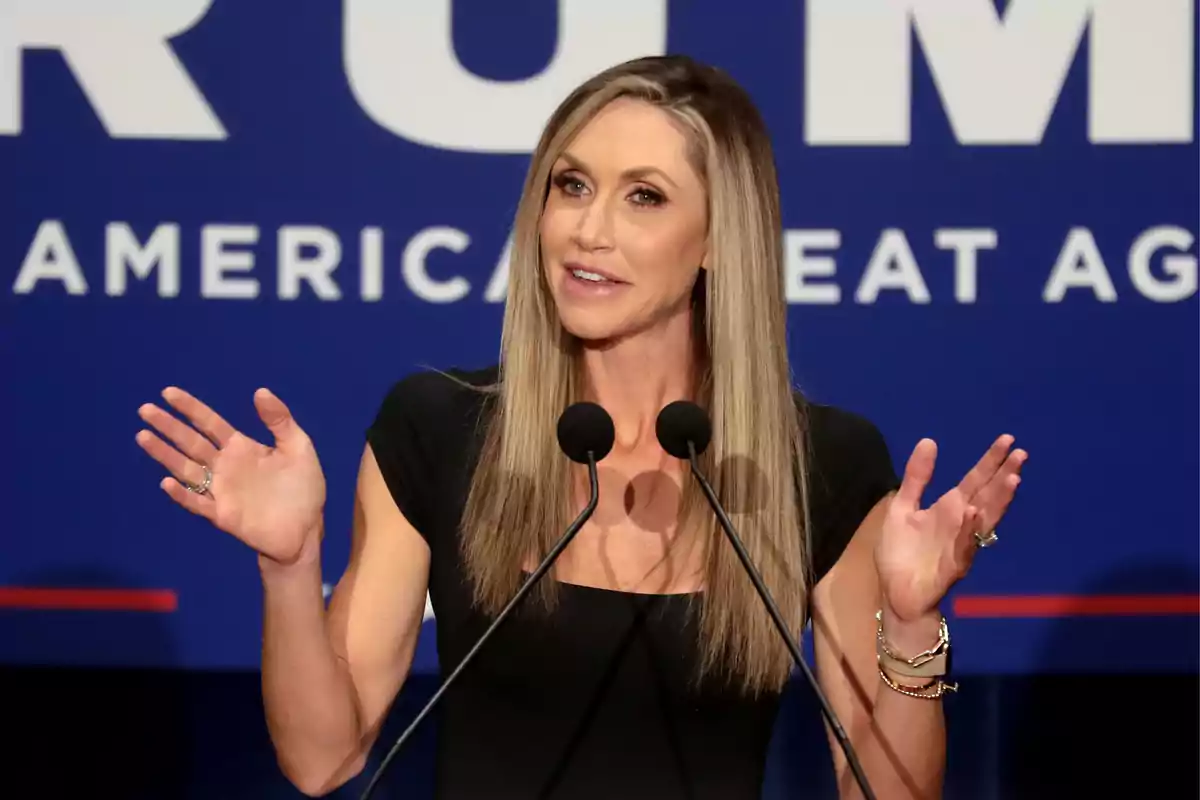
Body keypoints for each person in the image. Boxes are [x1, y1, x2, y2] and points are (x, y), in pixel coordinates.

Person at [135, 55, 1026, 799]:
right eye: (572, 186)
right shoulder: (437, 429)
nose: (588, 230)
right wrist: (289, 570)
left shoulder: (818, 464)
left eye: (644, 197)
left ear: (720, 239)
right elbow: (323, 760)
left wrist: (911, 625)